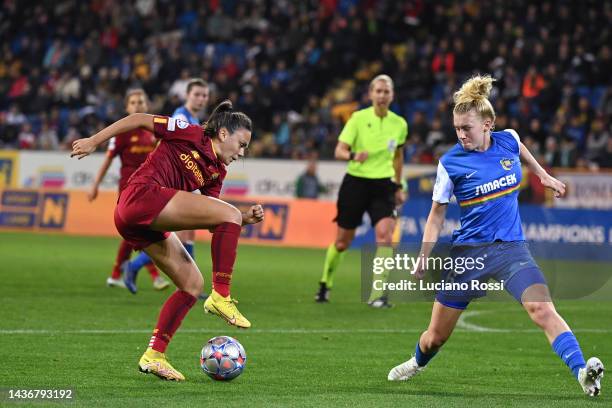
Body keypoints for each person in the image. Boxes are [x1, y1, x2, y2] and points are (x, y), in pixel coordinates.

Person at [387, 75, 604, 397]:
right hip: (468, 255)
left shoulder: (507, 140)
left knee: (542, 309)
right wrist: (423, 254)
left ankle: (583, 372)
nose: (461, 135)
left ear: (488, 124)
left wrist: (543, 175)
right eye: (457, 129)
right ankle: (417, 362)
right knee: (436, 336)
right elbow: (436, 215)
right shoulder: (450, 163)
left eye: (467, 128)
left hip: (511, 250)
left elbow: (521, 149)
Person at [71, 100, 263, 381]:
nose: (242, 152)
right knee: (228, 215)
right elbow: (138, 118)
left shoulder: (216, 172)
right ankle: (221, 296)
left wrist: (243, 218)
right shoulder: (189, 132)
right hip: (140, 197)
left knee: (191, 285)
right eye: (242, 144)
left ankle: (154, 355)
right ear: (224, 134)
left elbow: (216, 220)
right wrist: (94, 141)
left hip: (142, 223)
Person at [315, 74, 408, 307]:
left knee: (385, 238)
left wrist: (398, 184)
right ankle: (325, 283)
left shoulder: (400, 124)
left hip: (384, 185)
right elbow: (339, 151)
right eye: (378, 91)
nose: (382, 95)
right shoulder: (357, 118)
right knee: (342, 243)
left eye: (386, 91)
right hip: (356, 183)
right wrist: (354, 155)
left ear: (392, 95)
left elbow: (398, 156)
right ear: (370, 94)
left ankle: (378, 294)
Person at [123, 79, 210, 293]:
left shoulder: (194, 119)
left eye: (204, 95)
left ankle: (189, 283)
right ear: (187, 95)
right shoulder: (181, 117)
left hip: (184, 180)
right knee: (179, 234)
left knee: (187, 233)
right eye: (197, 94)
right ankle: (135, 266)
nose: (201, 99)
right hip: (175, 179)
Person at [88, 88, 169, 291]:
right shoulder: (122, 132)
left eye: (140, 102)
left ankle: (118, 274)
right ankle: (152, 276)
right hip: (129, 190)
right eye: (133, 103)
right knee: (144, 230)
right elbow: (107, 160)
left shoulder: (154, 131)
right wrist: (95, 185)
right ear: (126, 107)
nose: (137, 106)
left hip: (153, 188)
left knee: (142, 231)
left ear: (147, 105)